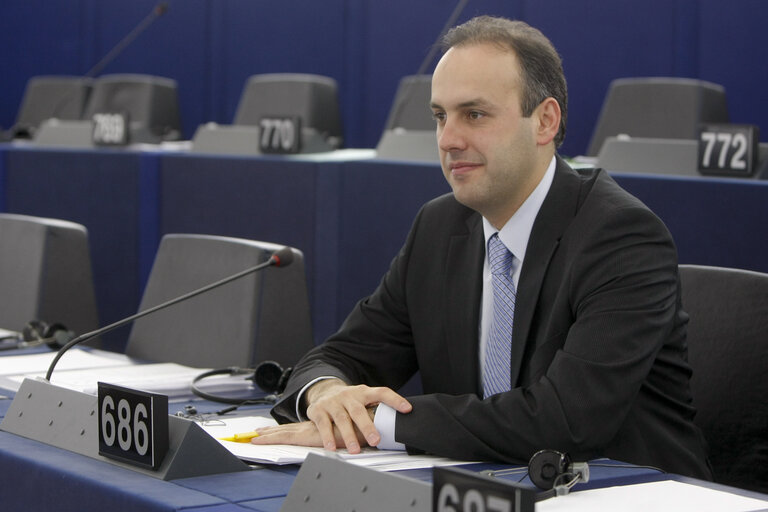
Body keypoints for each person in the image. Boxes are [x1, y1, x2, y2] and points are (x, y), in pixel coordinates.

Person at [252, 15, 712, 480]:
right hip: (485, 488)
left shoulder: (621, 236)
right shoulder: (439, 226)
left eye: (474, 114)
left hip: (632, 491)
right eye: (439, 116)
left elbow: (563, 421)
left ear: (545, 121)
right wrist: (327, 394)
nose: (448, 140)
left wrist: (376, 422)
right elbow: (345, 354)